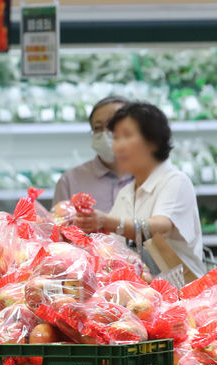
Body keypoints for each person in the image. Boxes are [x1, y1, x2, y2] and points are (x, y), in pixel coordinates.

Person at [75, 102, 205, 278]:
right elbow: (115, 246)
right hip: (144, 294)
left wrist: (106, 221)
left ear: (153, 141)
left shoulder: (175, 182)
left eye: (127, 136)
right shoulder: (127, 192)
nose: (118, 146)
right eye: (116, 137)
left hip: (181, 294)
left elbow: (161, 227)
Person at [53, 96, 133, 212]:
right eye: (97, 127)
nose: (105, 134)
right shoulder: (70, 181)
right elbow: (59, 226)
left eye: (113, 125)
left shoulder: (154, 177)